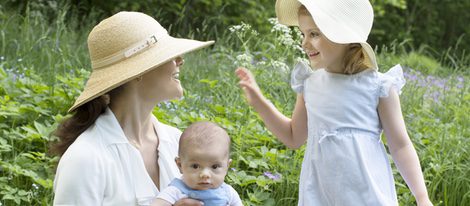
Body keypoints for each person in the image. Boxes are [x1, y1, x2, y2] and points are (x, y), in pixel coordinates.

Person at [235, 0, 433, 205]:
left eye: (314, 34)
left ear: (343, 36)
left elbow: (400, 145)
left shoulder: (378, 86)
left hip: (368, 196)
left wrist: (422, 197)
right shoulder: (309, 85)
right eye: (303, 34)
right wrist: (260, 103)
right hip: (319, 197)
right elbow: (293, 137)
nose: (304, 43)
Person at [51, 11, 214, 206]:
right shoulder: (85, 159)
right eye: (168, 55)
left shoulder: (178, 142)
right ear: (137, 73)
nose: (180, 60)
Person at [152, 121, 243, 206]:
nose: (205, 174)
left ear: (227, 166)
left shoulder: (228, 192)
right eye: (195, 166)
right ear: (180, 165)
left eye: (214, 166)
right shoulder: (176, 191)